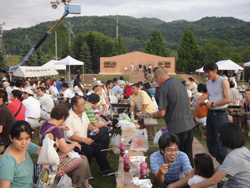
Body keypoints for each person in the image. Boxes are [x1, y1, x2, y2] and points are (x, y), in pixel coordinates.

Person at [150, 68, 196, 164]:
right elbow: (178, 107)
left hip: (178, 129)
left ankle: (181, 178)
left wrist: (153, 115)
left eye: (155, 80)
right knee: (187, 155)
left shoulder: (164, 88)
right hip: (189, 125)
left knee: (178, 157)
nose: (156, 82)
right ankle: (190, 176)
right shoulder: (179, 84)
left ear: (158, 77)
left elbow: (161, 113)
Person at [39, 104, 92, 188]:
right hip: (54, 159)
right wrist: (74, 143)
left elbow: (52, 128)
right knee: (82, 163)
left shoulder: (45, 123)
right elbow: (65, 149)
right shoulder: (55, 130)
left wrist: (60, 127)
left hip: (46, 154)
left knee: (84, 157)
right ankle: (74, 185)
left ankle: (85, 185)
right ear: (63, 117)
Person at [65, 96, 115, 177]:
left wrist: (94, 128)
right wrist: (84, 140)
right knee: (88, 150)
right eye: (82, 104)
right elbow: (70, 135)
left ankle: (105, 169)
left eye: (84, 103)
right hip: (73, 143)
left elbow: (88, 125)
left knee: (99, 148)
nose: (85, 106)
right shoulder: (69, 117)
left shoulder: (83, 113)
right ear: (74, 106)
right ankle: (85, 173)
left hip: (84, 140)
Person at [191, 122, 250, 188]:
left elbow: (213, 181)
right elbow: (222, 168)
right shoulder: (243, 150)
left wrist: (194, 186)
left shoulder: (233, 157)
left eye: (220, 135)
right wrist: (204, 171)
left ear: (226, 138)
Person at [200, 62, 231, 164]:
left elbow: (228, 99)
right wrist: (203, 102)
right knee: (211, 140)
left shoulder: (223, 81)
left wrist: (213, 104)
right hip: (210, 113)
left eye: (208, 72)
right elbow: (210, 97)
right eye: (205, 72)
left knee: (220, 141)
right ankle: (214, 163)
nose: (206, 75)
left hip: (220, 114)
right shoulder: (208, 83)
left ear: (215, 71)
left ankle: (223, 166)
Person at [0, 120, 41, 188]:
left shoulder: (25, 146)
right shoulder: (8, 162)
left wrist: (49, 141)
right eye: (19, 139)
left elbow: (42, 151)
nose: (24, 142)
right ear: (11, 138)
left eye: (27, 138)